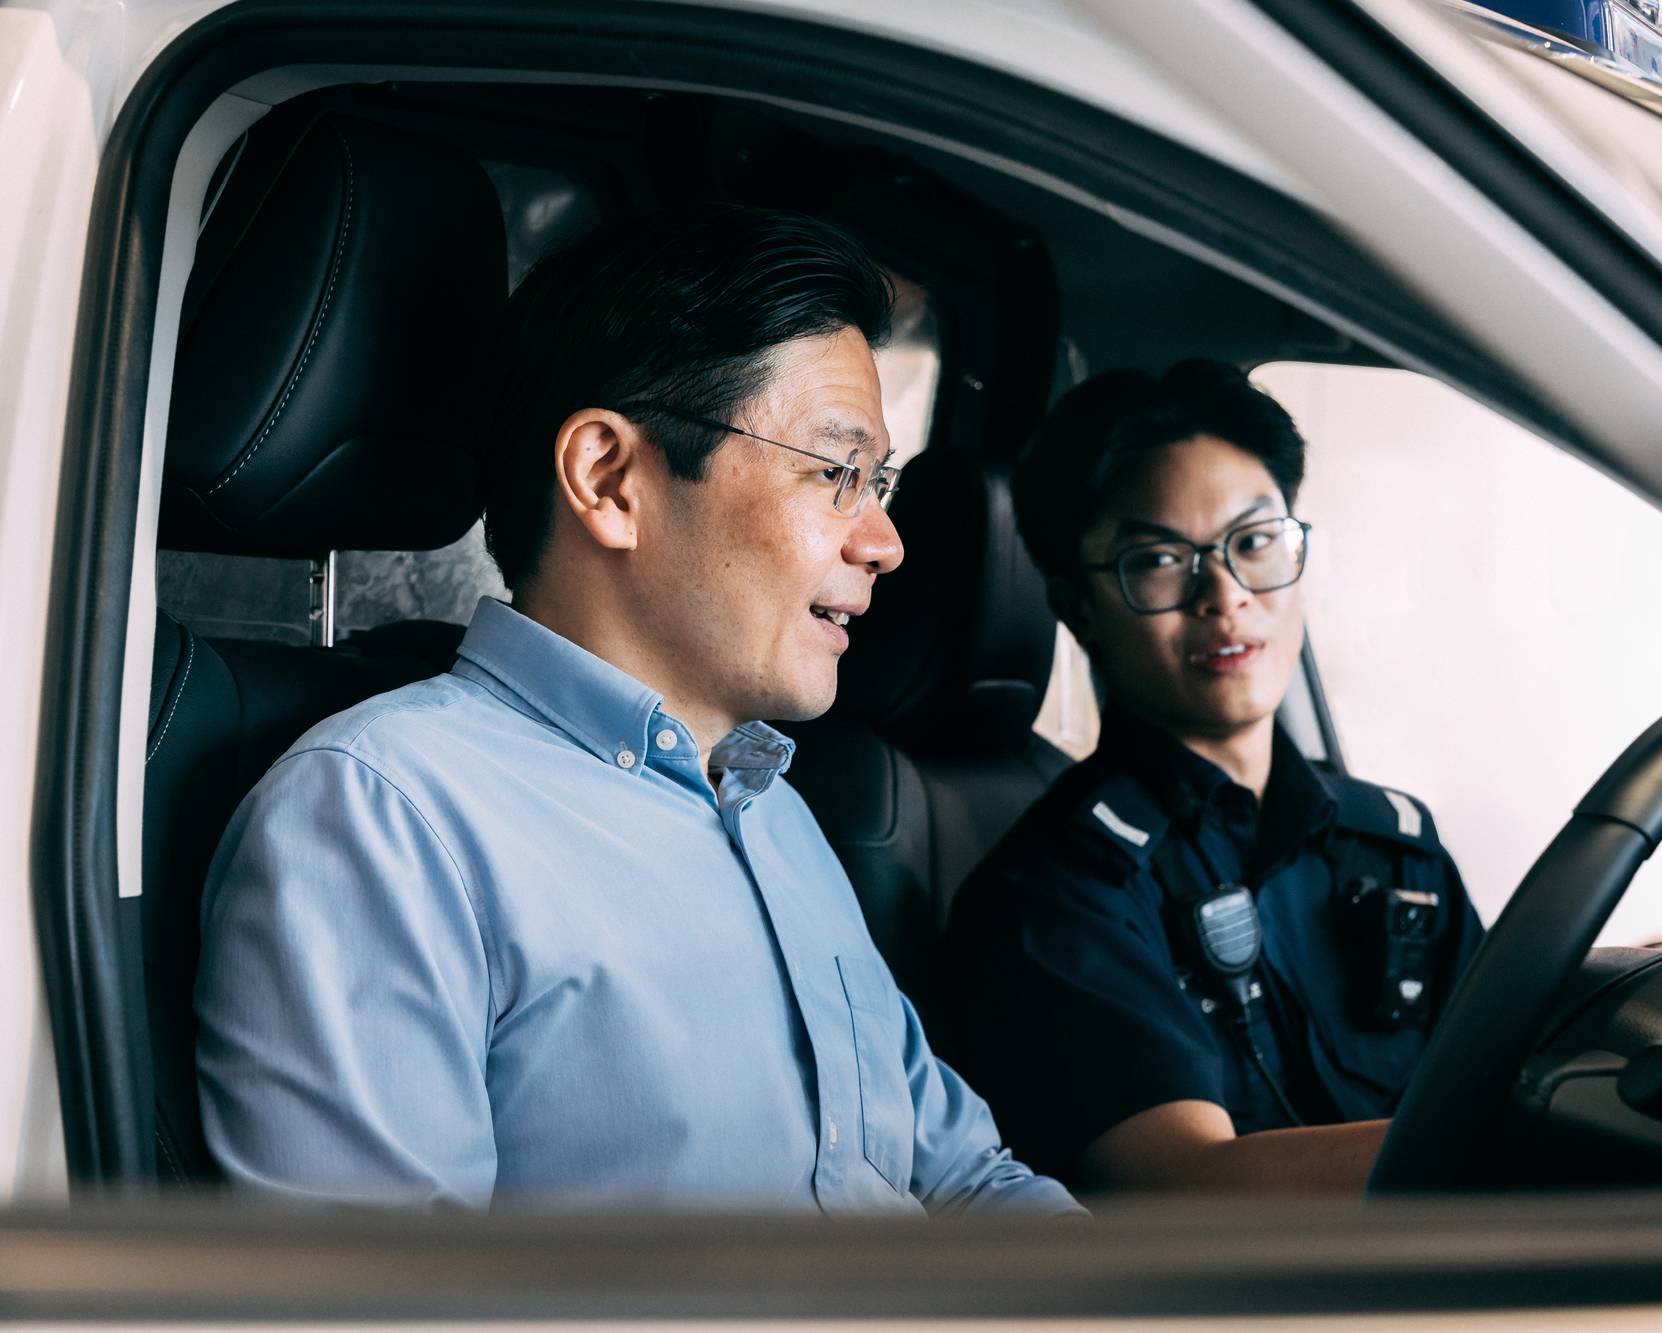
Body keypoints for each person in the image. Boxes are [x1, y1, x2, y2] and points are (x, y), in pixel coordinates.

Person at [195, 207, 1079, 1217]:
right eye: (837, 473)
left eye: (878, 483)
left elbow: (965, 1177)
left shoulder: (774, 811)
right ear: (610, 479)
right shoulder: (386, 819)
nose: (884, 542)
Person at [938, 361, 1483, 1194]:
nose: (1224, 596)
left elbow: (1506, 1054)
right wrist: (1515, 1140)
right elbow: (1186, 1188)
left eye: (1256, 542)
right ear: (1077, 607)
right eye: (1159, 558)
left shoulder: (1395, 845)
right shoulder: (1058, 894)